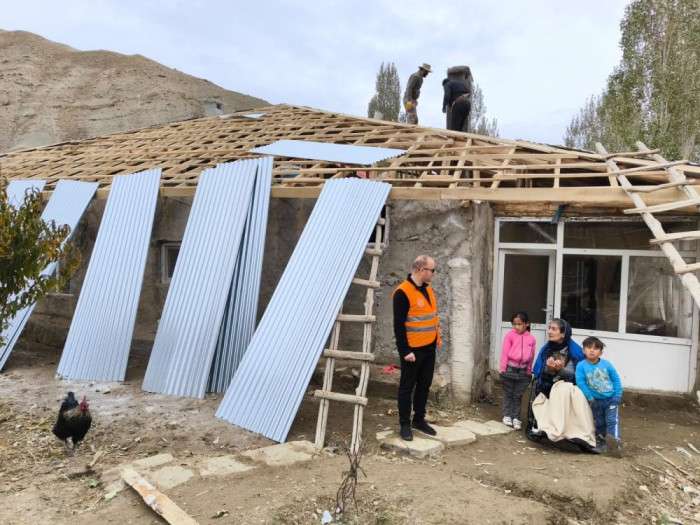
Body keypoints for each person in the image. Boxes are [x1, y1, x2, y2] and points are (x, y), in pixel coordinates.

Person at [393, 254, 441, 441]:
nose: (433, 273)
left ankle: (419, 419)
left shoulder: (428, 289)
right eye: (432, 270)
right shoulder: (402, 292)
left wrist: (435, 340)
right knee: (407, 387)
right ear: (421, 269)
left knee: (424, 385)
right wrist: (405, 351)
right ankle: (405, 424)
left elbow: (431, 317)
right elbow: (398, 326)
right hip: (412, 351)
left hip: (429, 347)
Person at [575, 336, 623, 457]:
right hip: (595, 401)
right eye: (589, 347)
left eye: (596, 348)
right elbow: (581, 383)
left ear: (601, 352)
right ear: (583, 350)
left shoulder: (607, 365)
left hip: (611, 399)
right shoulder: (581, 366)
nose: (592, 350)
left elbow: (616, 379)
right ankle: (601, 443)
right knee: (599, 423)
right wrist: (590, 397)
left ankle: (614, 444)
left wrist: (617, 395)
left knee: (612, 421)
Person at [499, 311, 536, 430]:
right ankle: (507, 415)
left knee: (518, 395)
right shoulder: (510, 336)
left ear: (526, 324)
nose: (516, 327)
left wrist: (529, 369)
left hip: (523, 371)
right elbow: (505, 353)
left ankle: (516, 417)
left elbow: (531, 355)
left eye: (519, 324)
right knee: (508, 393)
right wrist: (503, 368)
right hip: (509, 369)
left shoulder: (531, 339)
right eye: (514, 324)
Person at [532, 318, 584, 397]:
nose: (549, 331)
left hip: (565, 395)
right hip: (545, 391)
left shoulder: (575, 352)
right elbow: (540, 373)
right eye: (549, 328)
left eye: (554, 329)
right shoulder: (546, 349)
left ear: (563, 334)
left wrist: (560, 370)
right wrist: (550, 369)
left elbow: (575, 376)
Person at [442, 66, 472, 131]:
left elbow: (447, 95)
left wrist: (444, 107)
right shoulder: (460, 84)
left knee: (454, 129)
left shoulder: (447, 84)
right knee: (460, 128)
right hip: (467, 104)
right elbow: (469, 92)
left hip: (458, 104)